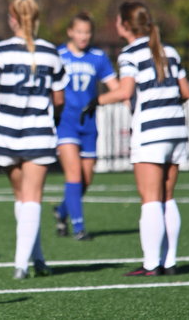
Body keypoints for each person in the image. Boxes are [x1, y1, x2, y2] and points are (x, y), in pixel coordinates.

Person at [80, 1, 189, 276]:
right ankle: (169, 262)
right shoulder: (170, 51)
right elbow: (186, 92)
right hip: (176, 129)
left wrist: (96, 101)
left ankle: (151, 264)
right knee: (167, 197)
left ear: (125, 25)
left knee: (150, 198)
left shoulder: (130, 53)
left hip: (151, 132)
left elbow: (124, 91)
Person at [0, 0, 68, 279]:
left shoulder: (0, 51)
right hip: (39, 134)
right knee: (32, 198)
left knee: (22, 198)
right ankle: (26, 262)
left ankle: (30, 261)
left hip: (7, 134)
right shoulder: (50, 51)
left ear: (13, 19)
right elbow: (59, 98)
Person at [53, 13, 118, 240]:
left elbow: (116, 88)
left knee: (86, 179)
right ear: (70, 32)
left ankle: (61, 211)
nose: (83, 36)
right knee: (73, 174)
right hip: (66, 123)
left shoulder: (98, 57)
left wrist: (105, 100)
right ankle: (79, 228)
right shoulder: (58, 55)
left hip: (89, 123)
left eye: (87, 32)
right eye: (79, 32)